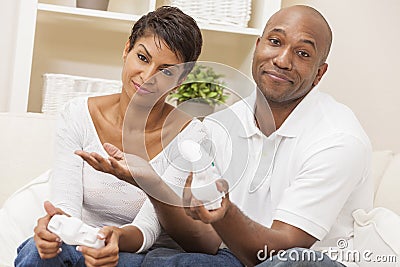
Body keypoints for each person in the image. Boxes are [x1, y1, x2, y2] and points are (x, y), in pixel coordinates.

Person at [79, 5, 372, 267]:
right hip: (229, 257)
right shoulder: (219, 127)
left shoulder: (338, 140)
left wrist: (225, 214)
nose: (283, 60)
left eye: (303, 53)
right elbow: (203, 241)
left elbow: (278, 251)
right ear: (258, 47)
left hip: (298, 261)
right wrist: (153, 183)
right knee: (150, 258)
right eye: (275, 42)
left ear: (319, 74)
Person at [14, 6, 205, 267]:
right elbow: (65, 207)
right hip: (80, 244)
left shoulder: (190, 135)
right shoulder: (77, 115)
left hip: (140, 255)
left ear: (181, 79)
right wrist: (55, 228)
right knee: (38, 252)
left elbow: (148, 228)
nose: (148, 77)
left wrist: (113, 238)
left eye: (167, 71)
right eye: (142, 57)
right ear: (127, 49)